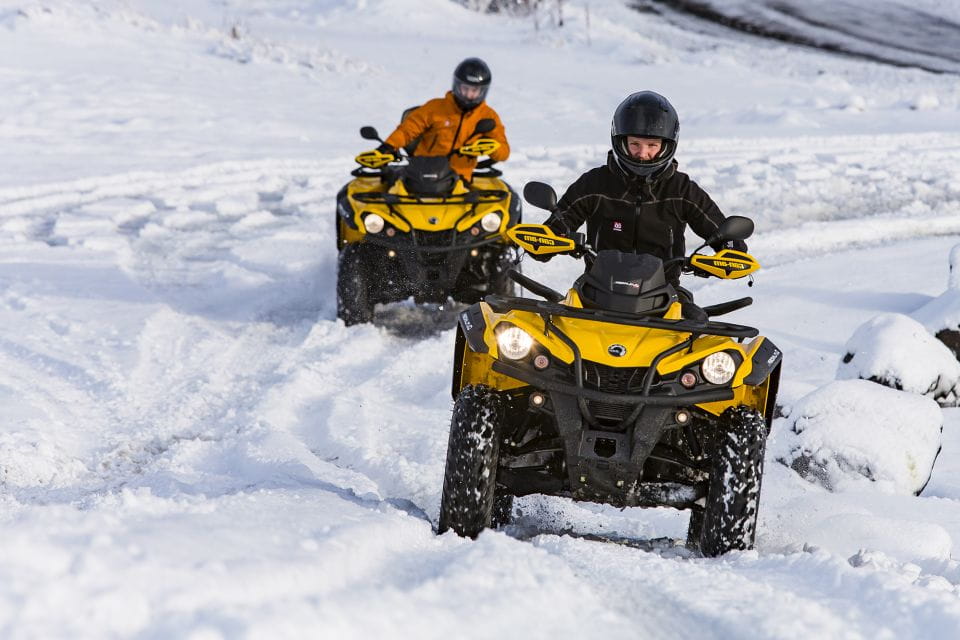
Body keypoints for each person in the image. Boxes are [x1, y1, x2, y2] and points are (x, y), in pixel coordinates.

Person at [535, 91, 747, 317]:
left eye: (652, 145)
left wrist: (730, 255)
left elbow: (727, 238)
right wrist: (545, 240)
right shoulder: (594, 184)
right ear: (620, 140)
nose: (642, 154)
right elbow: (556, 228)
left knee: (703, 339)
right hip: (595, 293)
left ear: (666, 145)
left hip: (665, 297)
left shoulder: (682, 190)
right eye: (635, 143)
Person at [374, 57, 510, 182]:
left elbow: (504, 152)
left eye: (474, 91)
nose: (469, 95)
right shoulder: (436, 107)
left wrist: (491, 147)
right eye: (465, 89)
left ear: (483, 91)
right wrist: (387, 146)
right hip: (423, 173)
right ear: (457, 85)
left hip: (460, 178)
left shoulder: (488, 116)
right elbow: (407, 130)